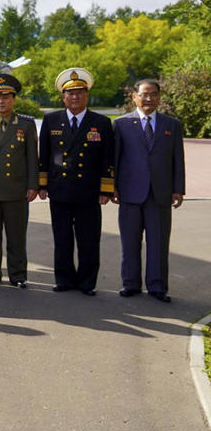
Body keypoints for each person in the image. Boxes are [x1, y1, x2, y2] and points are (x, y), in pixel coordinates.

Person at [38, 68, 114, 296]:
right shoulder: (51, 120)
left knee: (88, 240)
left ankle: (87, 282)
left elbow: (107, 158)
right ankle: (63, 279)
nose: (75, 97)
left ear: (87, 95)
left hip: (88, 192)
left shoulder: (100, 122)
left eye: (80, 93)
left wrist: (106, 189)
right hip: (59, 190)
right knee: (62, 239)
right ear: (63, 97)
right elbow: (45, 155)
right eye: (70, 94)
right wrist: (42, 184)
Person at [113, 79, 185, 303]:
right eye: (144, 94)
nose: (148, 99)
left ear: (159, 97)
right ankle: (130, 284)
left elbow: (177, 160)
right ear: (134, 97)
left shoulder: (171, 125)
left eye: (153, 94)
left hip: (160, 193)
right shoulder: (121, 124)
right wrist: (112, 187)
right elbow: (114, 160)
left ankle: (157, 286)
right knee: (130, 242)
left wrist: (178, 189)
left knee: (158, 242)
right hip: (129, 193)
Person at [0, 74, 38, 288]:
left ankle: (18, 274)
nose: (1, 101)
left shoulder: (26, 125)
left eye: (5, 97)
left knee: (16, 234)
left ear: (14, 99)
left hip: (17, 189)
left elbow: (32, 158)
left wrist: (32, 185)